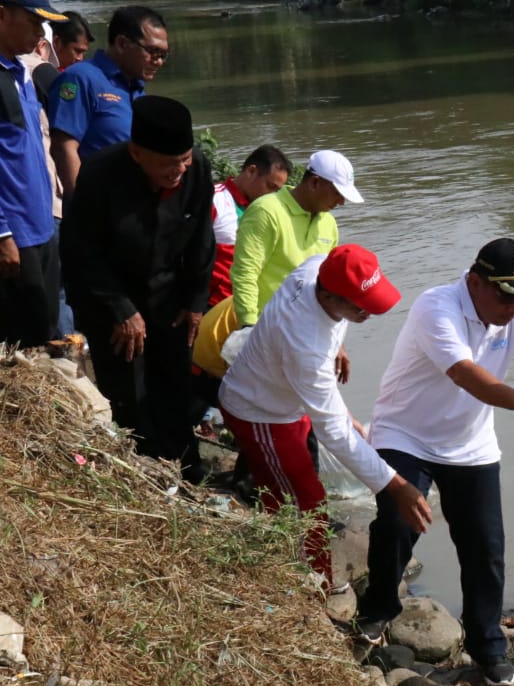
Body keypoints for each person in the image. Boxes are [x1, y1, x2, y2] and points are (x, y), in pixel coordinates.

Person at [355, 238, 514, 685]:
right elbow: (463, 374)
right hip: (406, 433)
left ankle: (487, 645)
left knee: (485, 548)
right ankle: (377, 612)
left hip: (469, 444)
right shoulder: (435, 307)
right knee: (400, 523)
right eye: (505, 296)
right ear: (475, 283)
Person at [218, 245, 432, 590]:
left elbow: (327, 399)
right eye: (361, 307)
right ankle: (312, 583)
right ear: (331, 297)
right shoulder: (305, 343)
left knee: (285, 489)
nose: (369, 314)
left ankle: (279, 561)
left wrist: (338, 348)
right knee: (305, 501)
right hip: (260, 413)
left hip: (285, 398)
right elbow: (333, 431)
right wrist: (397, 487)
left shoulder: (317, 267)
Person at [60, 95, 213, 479]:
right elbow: (81, 252)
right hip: (109, 296)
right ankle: (145, 471)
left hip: (167, 293)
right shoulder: (99, 175)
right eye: (168, 163)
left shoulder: (196, 172)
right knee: (129, 388)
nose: (179, 170)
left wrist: (196, 301)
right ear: (137, 153)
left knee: (174, 380)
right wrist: (121, 310)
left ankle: (185, 468)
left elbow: (201, 240)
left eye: (184, 159)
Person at [0, 0, 66, 347]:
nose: (41, 34)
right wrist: (2, 233)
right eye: (33, 21)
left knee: (43, 332)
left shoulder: (21, 74)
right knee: (17, 343)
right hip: (13, 237)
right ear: (1, 14)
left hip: (42, 228)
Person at [46, 5, 168, 198]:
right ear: (122, 43)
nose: (158, 61)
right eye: (152, 51)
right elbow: (64, 147)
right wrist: (84, 207)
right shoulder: (80, 79)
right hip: (98, 210)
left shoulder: (135, 87)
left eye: (163, 55)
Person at [229, 149, 359, 328]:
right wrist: (249, 326)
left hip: (306, 330)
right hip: (266, 329)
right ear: (314, 182)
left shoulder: (328, 224)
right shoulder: (266, 211)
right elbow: (245, 273)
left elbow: (328, 286)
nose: (342, 202)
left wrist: (335, 339)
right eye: (337, 193)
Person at [209, 145, 291, 307]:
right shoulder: (213, 199)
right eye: (270, 186)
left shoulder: (271, 211)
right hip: (212, 306)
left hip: (252, 306)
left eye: (277, 191)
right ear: (251, 171)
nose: (272, 195)